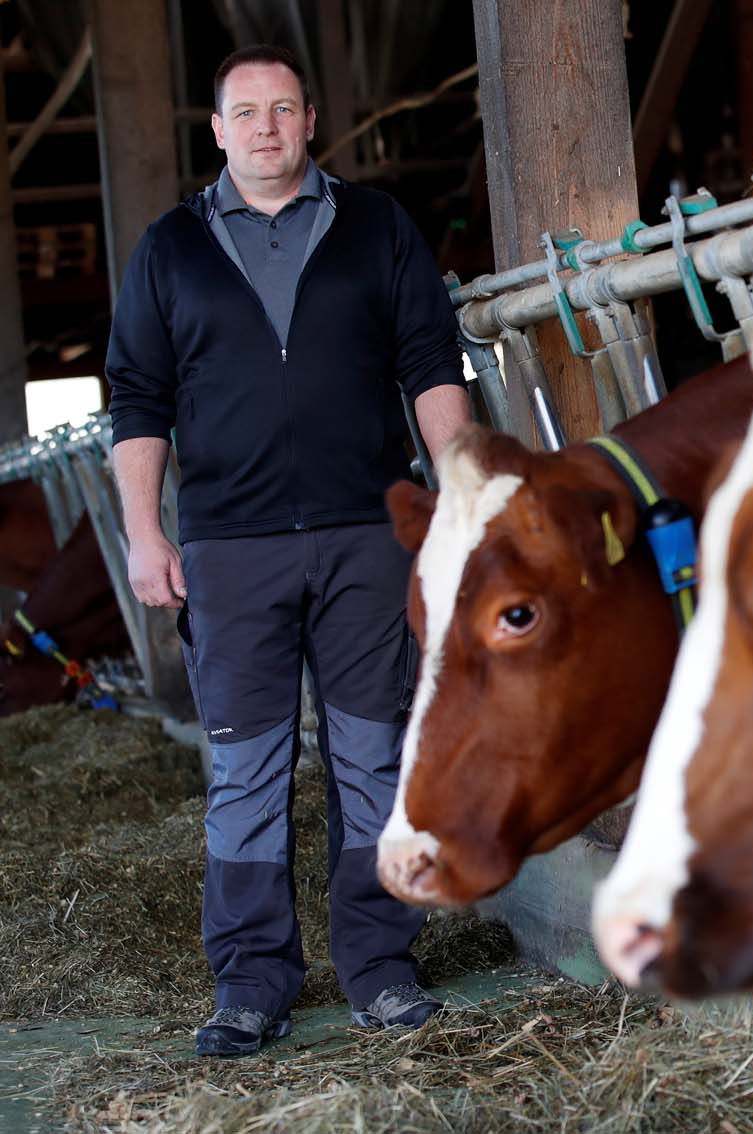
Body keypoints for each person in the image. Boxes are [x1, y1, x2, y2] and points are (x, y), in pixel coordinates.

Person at [105, 44, 472, 1057]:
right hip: (230, 548)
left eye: (282, 108)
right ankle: (252, 981)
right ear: (216, 132)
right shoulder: (170, 249)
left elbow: (428, 363)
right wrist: (146, 531)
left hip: (365, 534)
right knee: (245, 767)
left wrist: (461, 488)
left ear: (309, 121)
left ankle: (380, 966)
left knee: (370, 751)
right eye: (244, 112)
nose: (265, 127)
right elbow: (136, 399)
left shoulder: (376, 229)